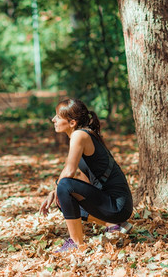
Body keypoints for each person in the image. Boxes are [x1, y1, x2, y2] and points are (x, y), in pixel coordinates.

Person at [39, 98, 133, 252]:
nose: (53, 119)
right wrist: (59, 194)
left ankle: (76, 244)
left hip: (118, 205)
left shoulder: (79, 136)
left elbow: (69, 172)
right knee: (63, 198)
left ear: (72, 123)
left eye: (58, 116)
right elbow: (85, 178)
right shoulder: (83, 136)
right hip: (116, 206)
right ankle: (114, 225)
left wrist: (54, 190)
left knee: (63, 187)